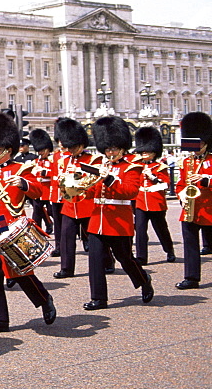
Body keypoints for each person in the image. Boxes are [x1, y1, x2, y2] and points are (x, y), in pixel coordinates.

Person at [0, 112, 57, 333]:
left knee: (20, 273)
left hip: (13, 224)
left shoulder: (21, 169)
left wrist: (23, 184)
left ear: (8, 150)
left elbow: (40, 191)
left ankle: (43, 299)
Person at [81, 116, 153, 309]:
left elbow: (130, 191)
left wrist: (110, 180)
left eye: (113, 148)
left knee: (125, 258)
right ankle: (99, 298)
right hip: (98, 220)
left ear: (122, 148)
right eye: (107, 148)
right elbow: (91, 192)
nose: (110, 152)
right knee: (95, 260)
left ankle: (143, 279)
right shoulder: (100, 165)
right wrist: (78, 188)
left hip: (119, 221)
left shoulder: (132, 167)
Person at [53, 117, 95, 279]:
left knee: (93, 238)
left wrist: (74, 175)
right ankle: (67, 268)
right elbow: (58, 181)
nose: (71, 150)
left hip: (87, 203)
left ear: (82, 144)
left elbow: (92, 182)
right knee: (66, 237)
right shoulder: (64, 160)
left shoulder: (92, 160)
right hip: (70, 204)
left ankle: (107, 262)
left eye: (74, 146)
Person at [175, 112, 212, 290]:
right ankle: (191, 277)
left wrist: (206, 180)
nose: (196, 147)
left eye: (200, 143)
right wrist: (182, 194)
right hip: (191, 208)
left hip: (210, 208)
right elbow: (180, 183)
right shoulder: (186, 161)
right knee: (190, 244)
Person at [133, 126, 177, 265]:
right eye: (143, 151)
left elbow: (166, 186)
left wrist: (153, 178)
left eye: (148, 151)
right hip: (140, 202)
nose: (144, 154)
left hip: (156, 203)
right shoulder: (136, 166)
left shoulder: (160, 167)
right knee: (140, 231)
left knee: (161, 229)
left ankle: (169, 251)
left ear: (154, 152)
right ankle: (141, 257)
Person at [28, 129, 55, 235]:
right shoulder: (36, 161)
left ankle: (52, 224)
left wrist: (43, 172)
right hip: (38, 190)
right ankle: (37, 231)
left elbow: (55, 173)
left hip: (48, 190)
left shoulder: (52, 160)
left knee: (51, 211)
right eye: (39, 151)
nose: (40, 153)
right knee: (37, 213)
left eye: (42, 150)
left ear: (48, 149)